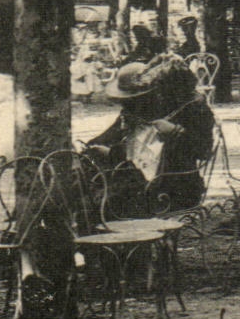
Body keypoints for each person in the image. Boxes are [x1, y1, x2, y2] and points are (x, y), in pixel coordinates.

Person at [85, 56, 216, 213]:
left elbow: (204, 151)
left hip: (173, 188)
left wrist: (175, 132)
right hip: (138, 179)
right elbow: (111, 135)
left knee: (107, 204)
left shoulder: (194, 109)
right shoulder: (138, 109)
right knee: (86, 190)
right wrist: (92, 146)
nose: (132, 103)